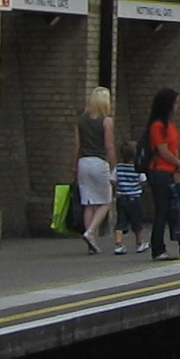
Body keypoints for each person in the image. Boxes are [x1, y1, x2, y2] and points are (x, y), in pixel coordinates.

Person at [142, 88, 180, 261]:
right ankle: (158, 248)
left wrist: (176, 170)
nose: (177, 106)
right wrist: (178, 162)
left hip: (170, 171)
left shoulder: (170, 126)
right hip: (159, 172)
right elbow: (162, 150)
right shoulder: (157, 126)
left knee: (177, 209)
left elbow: (173, 148)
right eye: (175, 103)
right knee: (163, 211)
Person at [75, 84, 118, 255]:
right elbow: (109, 146)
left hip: (83, 162)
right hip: (99, 162)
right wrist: (115, 167)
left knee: (88, 202)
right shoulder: (107, 121)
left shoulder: (81, 120)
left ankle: (91, 243)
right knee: (106, 201)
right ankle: (91, 231)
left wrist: (73, 165)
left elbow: (76, 144)